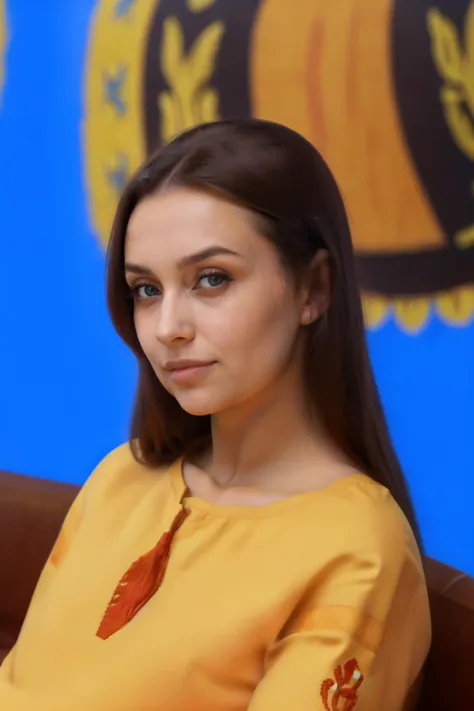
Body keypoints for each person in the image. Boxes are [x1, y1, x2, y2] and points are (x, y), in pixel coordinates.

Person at [0, 119, 431, 710]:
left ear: (314, 290)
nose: (168, 327)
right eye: (146, 289)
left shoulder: (357, 552)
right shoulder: (121, 478)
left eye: (211, 279)